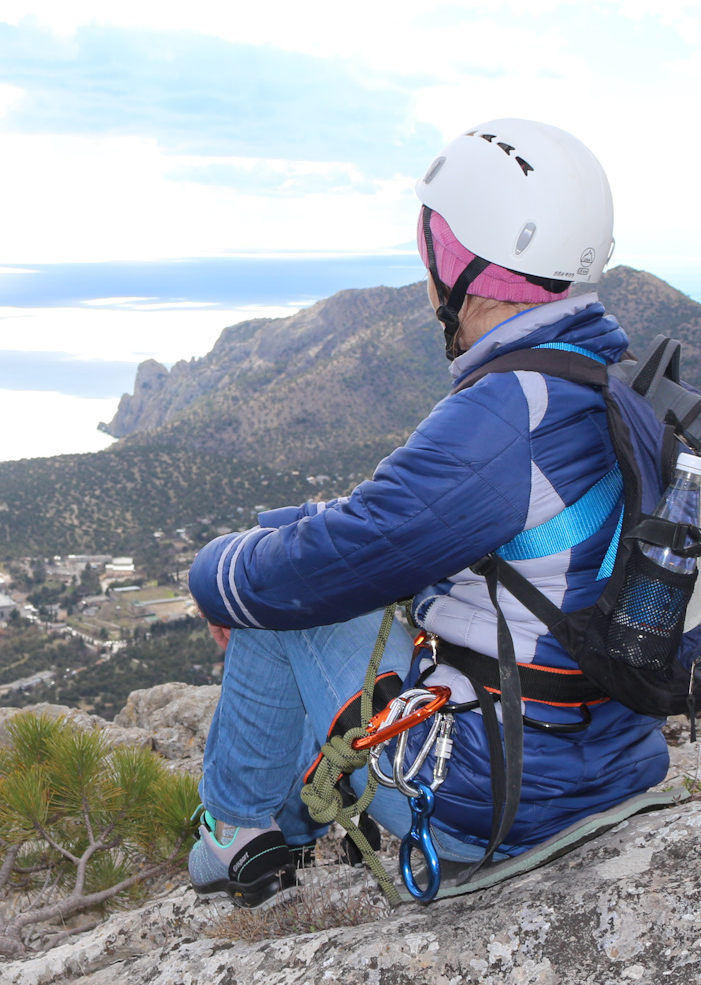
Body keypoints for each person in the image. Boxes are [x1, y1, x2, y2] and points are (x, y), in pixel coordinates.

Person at [185, 117, 669, 901]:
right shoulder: (592, 381)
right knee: (289, 576)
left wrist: (215, 575)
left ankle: (239, 831)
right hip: (606, 761)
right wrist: (280, 529)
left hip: (495, 804)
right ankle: (278, 829)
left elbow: (325, 566)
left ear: (456, 258)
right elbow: (400, 518)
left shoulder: (506, 412)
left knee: (277, 603)